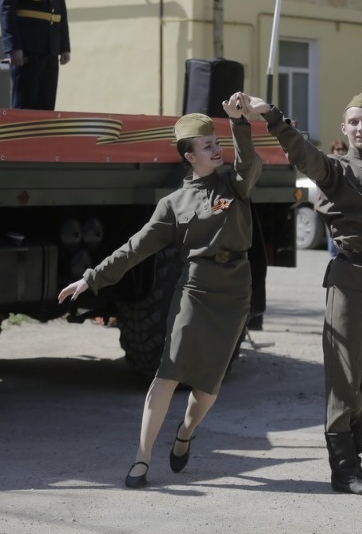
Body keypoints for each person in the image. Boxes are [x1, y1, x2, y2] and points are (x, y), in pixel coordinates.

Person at [57, 93, 261, 489]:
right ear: (189, 156)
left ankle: (186, 432)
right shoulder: (173, 204)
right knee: (168, 373)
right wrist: (92, 277)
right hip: (196, 288)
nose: (215, 150)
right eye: (207, 146)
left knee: (207, 385)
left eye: (216, 143)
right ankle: (142, 458)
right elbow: (136, 247)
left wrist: (239, 123)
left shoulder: (234, 184)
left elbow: (248, 163)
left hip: (235, 289)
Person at [248, 92, 362, 496]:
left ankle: (356, 460)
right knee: (344, 378)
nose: (361, 128)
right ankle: (343, 470)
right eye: (353, 122)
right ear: (344, 129)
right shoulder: (335, 170)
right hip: (348, 280)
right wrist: (272, 115)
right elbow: (302, 154)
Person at [325, 140, 349, 257]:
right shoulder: (328, 164)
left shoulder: (349, 164)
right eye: (338, 149)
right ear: (333, 151)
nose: (341, 152)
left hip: (346, 204)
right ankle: (334, 257)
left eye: (343, 149)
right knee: (332, 232)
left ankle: (341, 257)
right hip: (331, 203)